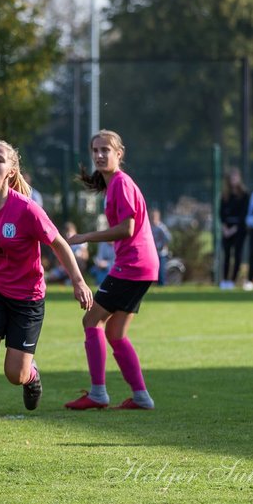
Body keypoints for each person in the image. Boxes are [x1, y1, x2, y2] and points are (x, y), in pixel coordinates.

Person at [0, 140, 93, 441]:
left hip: (27, 297)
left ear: (11, 170)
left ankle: (31, 374)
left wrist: (78, 280)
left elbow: (59, 243)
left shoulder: (26, 209)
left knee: (15, 374)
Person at [65, 130, 160, 412]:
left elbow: (127, 229)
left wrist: (85, 237)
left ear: (120, 153)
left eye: (105, 150)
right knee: (115, 333)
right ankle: (141, 397)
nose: (99, 155)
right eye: (95, 150)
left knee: (91, 321)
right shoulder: (114, 184)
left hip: (132, 265)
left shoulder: (120, 183)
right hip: (142, 266)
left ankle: (97, 393)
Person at [218, 168, 248, 290]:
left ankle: (233, 280)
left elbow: (243, 214)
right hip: (227, 228)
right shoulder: (225, 195)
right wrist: (225, 228)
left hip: (239, 229)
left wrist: (234, 229)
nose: (233, 180)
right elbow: (221, 213)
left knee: (237, 255)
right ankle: (224, 280)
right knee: (226, 255)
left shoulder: (244, 195)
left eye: (236, 177)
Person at [150, 209, 172, 286]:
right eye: (151, 217)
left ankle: (162, 284)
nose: (153, 219)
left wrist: (162, 245)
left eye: (154, 217)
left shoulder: (161, 227)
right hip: (153, 252)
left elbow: (168, 238)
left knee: (161, 270)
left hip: (161, 252)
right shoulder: (150, 227)